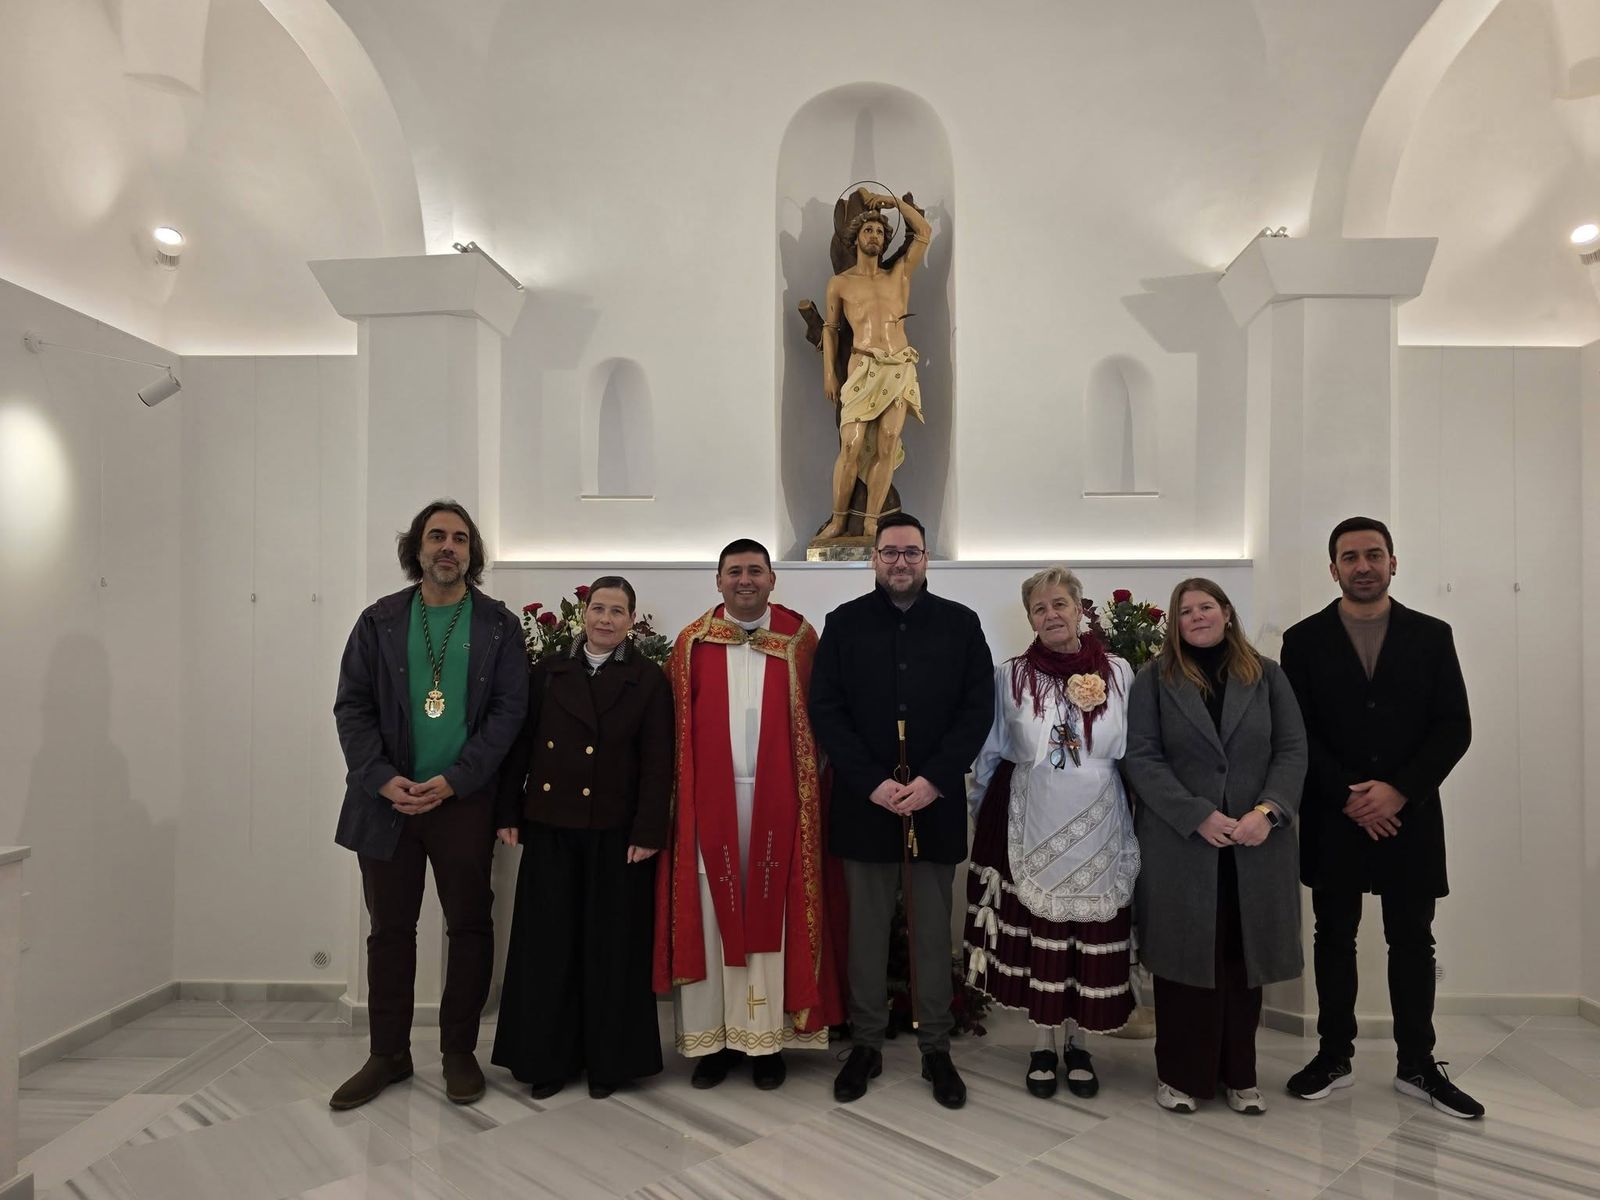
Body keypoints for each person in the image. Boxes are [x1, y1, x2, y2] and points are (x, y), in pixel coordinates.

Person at [330, 500, 528, 1110]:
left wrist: (455, 780)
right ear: (416, 548)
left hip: (462, 801)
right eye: (437, 536)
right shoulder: (379, 621)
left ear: (472, 553)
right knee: (390, 931)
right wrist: (381, 778)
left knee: (469, 926)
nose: (448, 547)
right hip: (386, 802)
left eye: (460, 539)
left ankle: (458, 1052)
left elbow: (509, 714)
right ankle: (388, 1054)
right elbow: (352, 706)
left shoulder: (499, 626)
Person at [1280, 517, 1481, 1119]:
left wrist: (1399, 792)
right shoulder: (1302, 640)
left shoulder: (1432, 635)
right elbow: (1297, 731)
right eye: (1350, 556)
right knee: (1333, 937)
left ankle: (1417, 1063)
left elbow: (1454, 726)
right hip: (1334, 817)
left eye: (1373, 554)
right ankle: (1333, 1056)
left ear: (1394, 562)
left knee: (1413, 940)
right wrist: (1350, 795)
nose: (1362, 565)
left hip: (1409, 817)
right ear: (1333, 568)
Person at [808, 512, 994, 1109]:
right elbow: (826, 708)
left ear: (926, 557)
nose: (900, 562)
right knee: (865, 932)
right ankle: (865, 1043)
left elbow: (977, 709)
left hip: (934, 804)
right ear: (874, 559)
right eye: (889, 552)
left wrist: (936, 780)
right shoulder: (844, 623)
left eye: (911, 552)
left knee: (932, 931)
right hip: (866, 804)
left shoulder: (961, 624)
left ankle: (936, 1047)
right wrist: (870, 783)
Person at [653, 539, 844, 1090]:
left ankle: (767, 1042)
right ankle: (713, 1042)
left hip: (781, 804)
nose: (745, 580)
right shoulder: (691, 643)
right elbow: (672, 730)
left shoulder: (800, 640)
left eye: (755, 571)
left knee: (773, 908)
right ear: (718, 581)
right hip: (707, 806)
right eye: (734, 571)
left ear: (772, 579)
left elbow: (824, 722)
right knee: (713, 912)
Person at [1123, 578, 1307, 1114]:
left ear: (1227, 613)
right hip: (1182, 846)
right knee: (1185, 962)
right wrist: (1197, 815)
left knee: (1240, 957)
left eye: (1207, 607)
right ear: (1174, 624)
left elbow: (1293, 750)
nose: (1197, 617)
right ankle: (1179, 1077)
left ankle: (1240, 1076)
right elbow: (1141, 757)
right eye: (1185, 611)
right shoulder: (1153, 680)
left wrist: (1268, 812)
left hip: (1254, 843)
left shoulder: (1267, 675)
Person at [492, 576, 673, 1099]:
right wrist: (508, 810)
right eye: (598, 608)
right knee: (548, 947)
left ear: (631, 620)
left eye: (617, 611)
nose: (605, 619)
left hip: (618, 833)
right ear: (583, 613)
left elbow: (658, 762)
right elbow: (521, 746)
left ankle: (609, 1064)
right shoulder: (549, 672)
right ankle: (546, 1061)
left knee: (611, 950)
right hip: (551, 825)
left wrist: (649, 829)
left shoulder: (648, 679)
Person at [965, 566, 1141, 1100]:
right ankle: (1042, 1045)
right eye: (1039, 608)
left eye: (1060, 603)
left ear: (1080, 608)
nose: (1051, 615)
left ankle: (1079, 1045)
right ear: (1030, 619)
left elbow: (1136, 749)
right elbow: (991, 749)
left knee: (1087, 933)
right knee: (1041, 927)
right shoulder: (1010, 675)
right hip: (1033, 810)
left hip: (1100, 813)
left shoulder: (1118, 670)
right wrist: (982, 813)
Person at [816, 191, 933, 540]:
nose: (875, 236)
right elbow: (831, 329)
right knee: (850, 445)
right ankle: (838, 520)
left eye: (880, 232)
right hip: (862, 367)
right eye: (868, 230)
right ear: (856, 238)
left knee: (888, 441)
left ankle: (870, 522)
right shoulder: (840, 283)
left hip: (898, 366)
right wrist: (829, 373)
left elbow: (924, 231)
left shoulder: (899, 275)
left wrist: (893, 202)